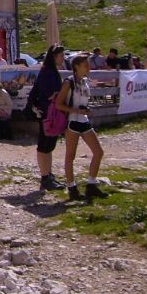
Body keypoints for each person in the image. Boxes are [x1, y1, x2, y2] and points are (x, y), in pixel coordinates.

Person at [56, 54, 107, 201]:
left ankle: (91, 184)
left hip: (84, 120)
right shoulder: (69, 82)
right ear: (77, 66)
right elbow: (59, 104)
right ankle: (72, 187)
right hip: (72, 121)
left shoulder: (85, 82)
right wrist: (76, 110)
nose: (89, 68)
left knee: (98, 152)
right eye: (86, 65)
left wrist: (86, 109)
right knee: (70, 156)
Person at [28, 44, 66, 191]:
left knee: (49, 145)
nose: (63, 58)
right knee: (44, 145)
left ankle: (48, 174)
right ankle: (45, 177)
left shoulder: (49, 71)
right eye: (61, 55)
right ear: (54, 57)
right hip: (47, 113)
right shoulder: (48, 72)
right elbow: (49, 94)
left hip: (49, 112)